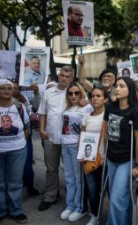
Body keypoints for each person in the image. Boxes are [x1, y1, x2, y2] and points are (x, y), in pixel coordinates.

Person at [103, 77, 138, 225]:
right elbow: (105, 131)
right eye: (116, 86)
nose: (117, 88)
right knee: (122, 198)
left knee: (116, 199)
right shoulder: (110, 107)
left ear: (130, 90)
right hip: (111, 157)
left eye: (121, 86)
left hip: (127, 160)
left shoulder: (136, 111)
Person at [37, 66, 74, 211]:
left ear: (71, 78)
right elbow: (42, 112)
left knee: (71, 171)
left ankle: (73, 199)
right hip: (50, 137)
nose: (64, 78)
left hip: (69, 139)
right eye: (62, 75)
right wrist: (41, 129)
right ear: (59, 75)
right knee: (51, 169)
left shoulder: (74, 93)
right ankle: (51, 196)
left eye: (67, 76)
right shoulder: (48, 92)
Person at [59, 81, 93, 222]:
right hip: (65, 145)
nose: (73, 96)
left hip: (76, 146)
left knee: (79, 179)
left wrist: (89, 100)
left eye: (76, 93)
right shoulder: (67, 107)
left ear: (81, 93)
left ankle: (80, 208)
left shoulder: (87, 107)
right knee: (69, 178)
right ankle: (70, 205)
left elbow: (100, 105)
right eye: (70, 93)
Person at [0, 79, 30, 223]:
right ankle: (1, 211)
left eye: (8, 88)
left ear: (13, 91)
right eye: (2, 88)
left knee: (15, 182)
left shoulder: (19, 107)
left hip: (17, 150)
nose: (6, 91)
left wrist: (19, 144)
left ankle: (16, 210)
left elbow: (27, 129)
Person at [80, 84, 108, 225]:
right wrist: (81, 154)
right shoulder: (86, 117)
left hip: (105, 160)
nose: (95, 98)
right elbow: (82, 136)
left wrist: (105, 157)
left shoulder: (108, 115)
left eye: (99, 96)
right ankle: (95, 215)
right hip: (89, 159)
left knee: (108, 190)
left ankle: (115, 216)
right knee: (91, 189)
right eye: (93, 96)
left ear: (105, 99)